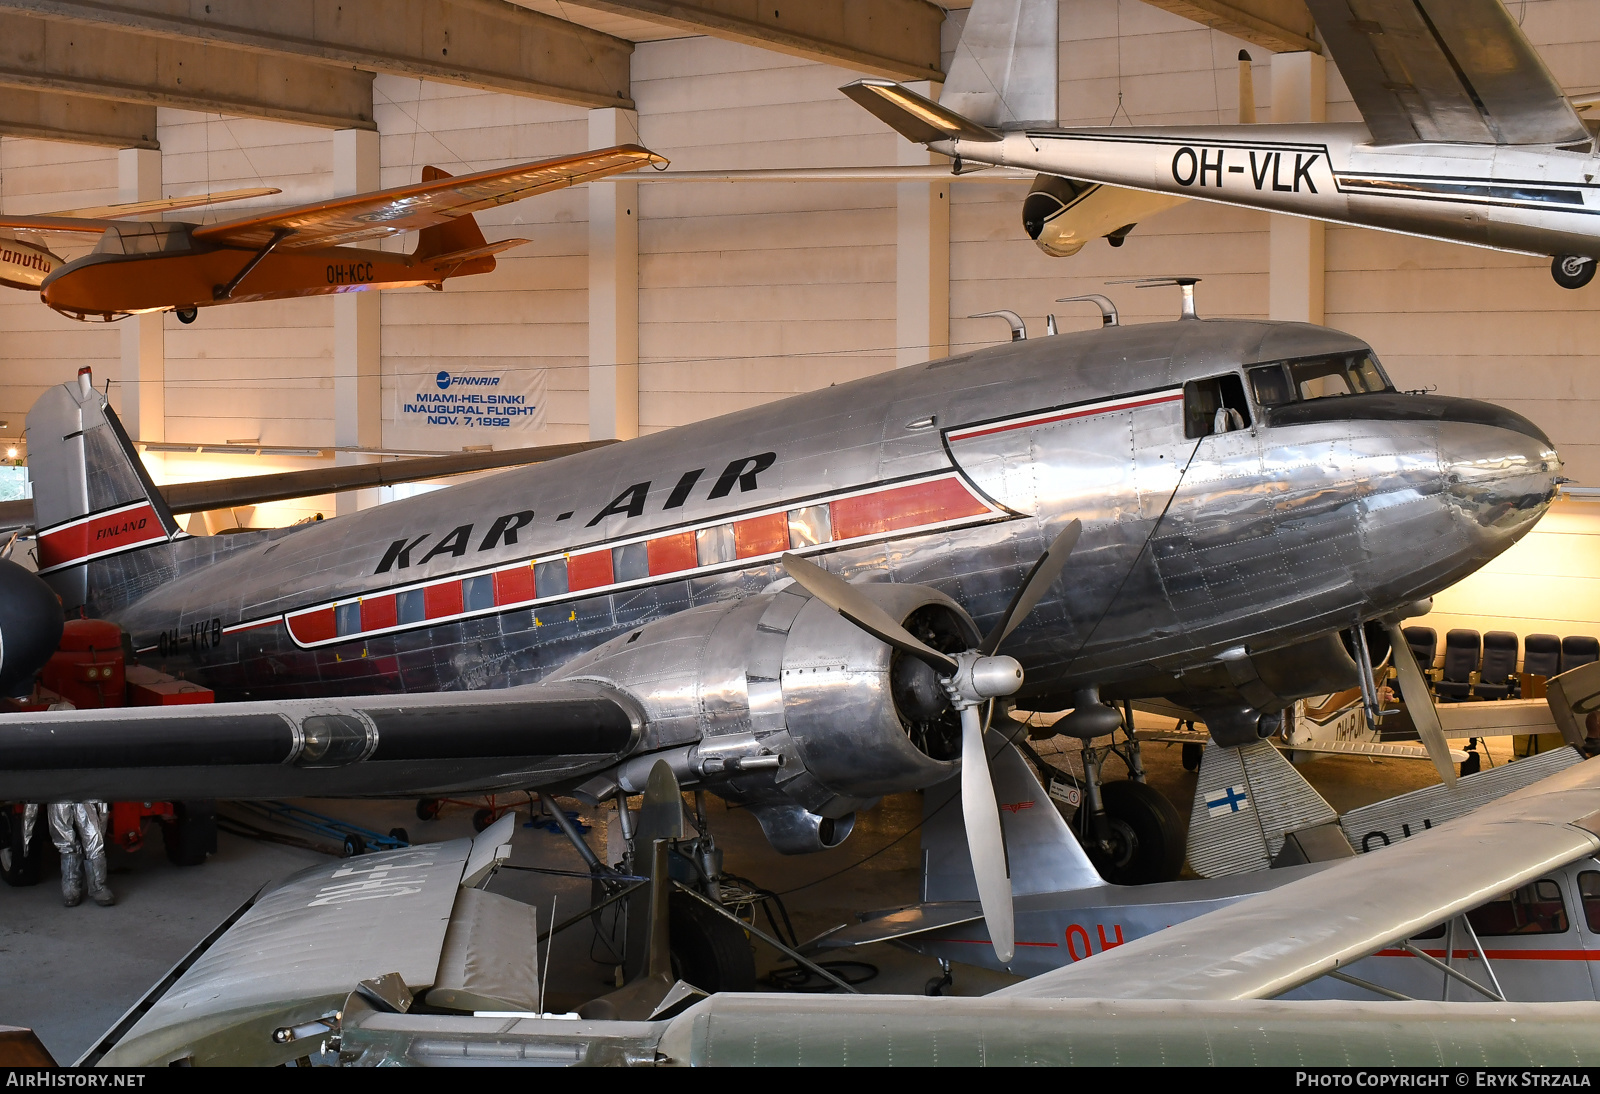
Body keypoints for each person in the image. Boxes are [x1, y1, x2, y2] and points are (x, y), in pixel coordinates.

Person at [25, 801, 114, 907]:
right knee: (65, 842)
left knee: (93, 837)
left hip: (84, 796)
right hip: (58, 797)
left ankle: (98, 887)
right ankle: (71, 887)